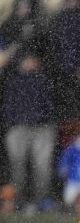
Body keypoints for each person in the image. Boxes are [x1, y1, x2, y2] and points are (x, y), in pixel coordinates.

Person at [3, 52, 55, 211]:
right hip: (19, 128)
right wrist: (12, 125)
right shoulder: (13, 81)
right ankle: (16, 202)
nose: (31, 63)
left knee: (42, 167)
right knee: (17, 166)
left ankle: (40, 201)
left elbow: (50, 105)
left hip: (42, 128)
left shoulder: (44, 80)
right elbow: (8, 106)